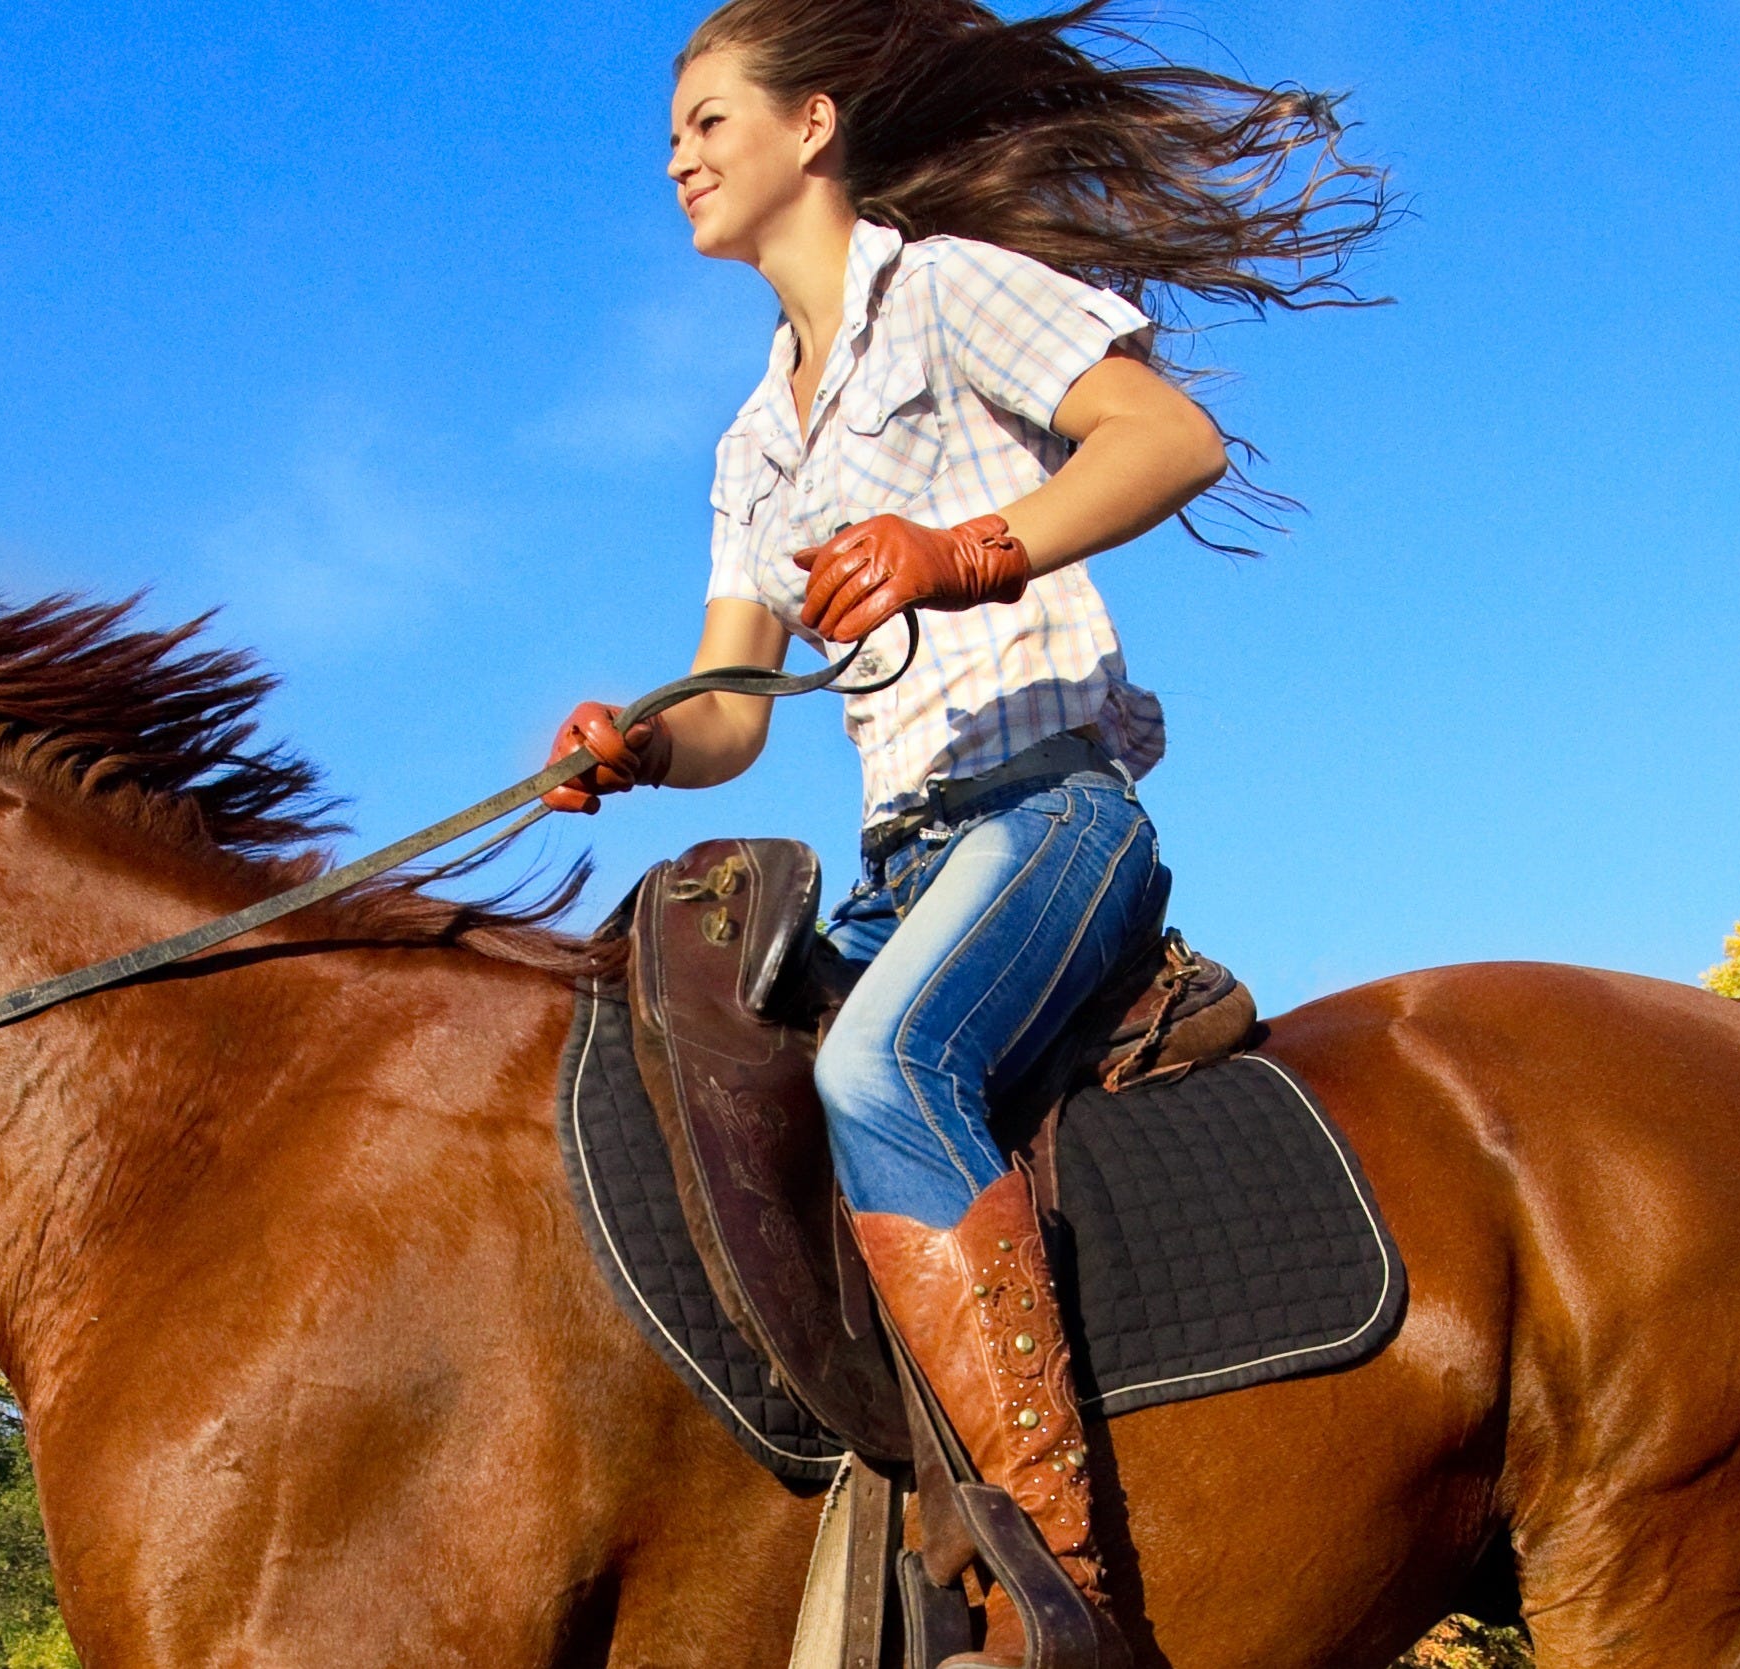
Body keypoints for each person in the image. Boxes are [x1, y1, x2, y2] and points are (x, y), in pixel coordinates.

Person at [540, 0, 1383, 1651]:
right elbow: (730, 702)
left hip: (1050, 814)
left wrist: (963, 548)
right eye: (670, 134)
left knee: (877, 1067)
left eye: (710, 119)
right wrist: (635, 741)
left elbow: (1169, 440)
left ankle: (1052, 1584)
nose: (678, 155)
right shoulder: (749, 443)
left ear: (813, 128)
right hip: (902, 863)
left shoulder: (942, 291)